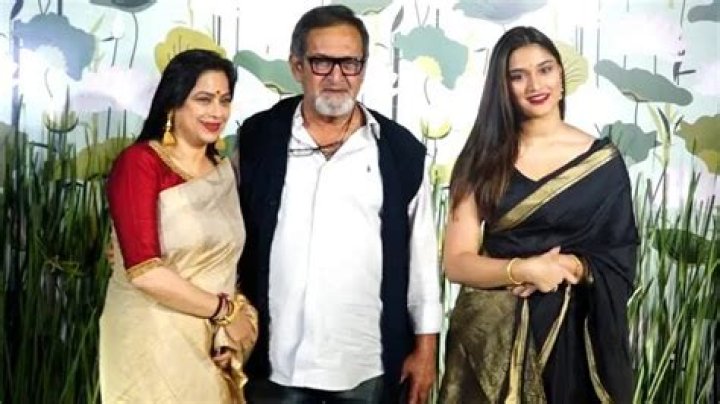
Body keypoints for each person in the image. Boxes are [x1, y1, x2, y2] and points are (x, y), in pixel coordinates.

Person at [235, 5, 441, 404]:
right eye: (321, 62)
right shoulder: (259, 138)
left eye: (349, 63)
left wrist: (426, 348)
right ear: (297, 66)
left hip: (364, 364)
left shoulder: (400, 151)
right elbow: (226, 228)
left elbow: (422, 259)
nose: (336, 77)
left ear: (363, 69)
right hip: (273, 363)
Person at [439, 26, 638, 403]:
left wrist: (571, 265)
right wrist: (523, 269)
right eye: (518, 76)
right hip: (494, 342)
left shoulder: (603, 163)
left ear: (561, 77)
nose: (535, 85)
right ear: (503, 87)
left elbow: (620, 255)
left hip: (576, 345)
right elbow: (457, 262)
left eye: (545, 69)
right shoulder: (481, 160)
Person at [100, 49, 258, 403]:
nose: (217, 112)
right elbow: (145, 272)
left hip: (210, 342)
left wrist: (229, 329)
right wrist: (226, 311)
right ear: (174, 102)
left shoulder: (224, 172)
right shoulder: (141, 163)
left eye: (224, 100)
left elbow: (227, 263)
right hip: (152, 338)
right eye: (203, 99)